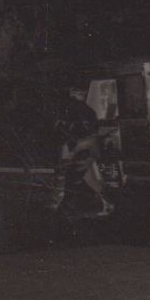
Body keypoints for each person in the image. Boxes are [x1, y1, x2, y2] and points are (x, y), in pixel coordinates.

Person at [53, 84, 113, 217]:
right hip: (84, 148)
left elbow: (66, 131)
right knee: (77, 177)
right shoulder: (88, 111)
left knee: (75, 177)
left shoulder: (70, 110)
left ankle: (68, 208)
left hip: (82, 148)